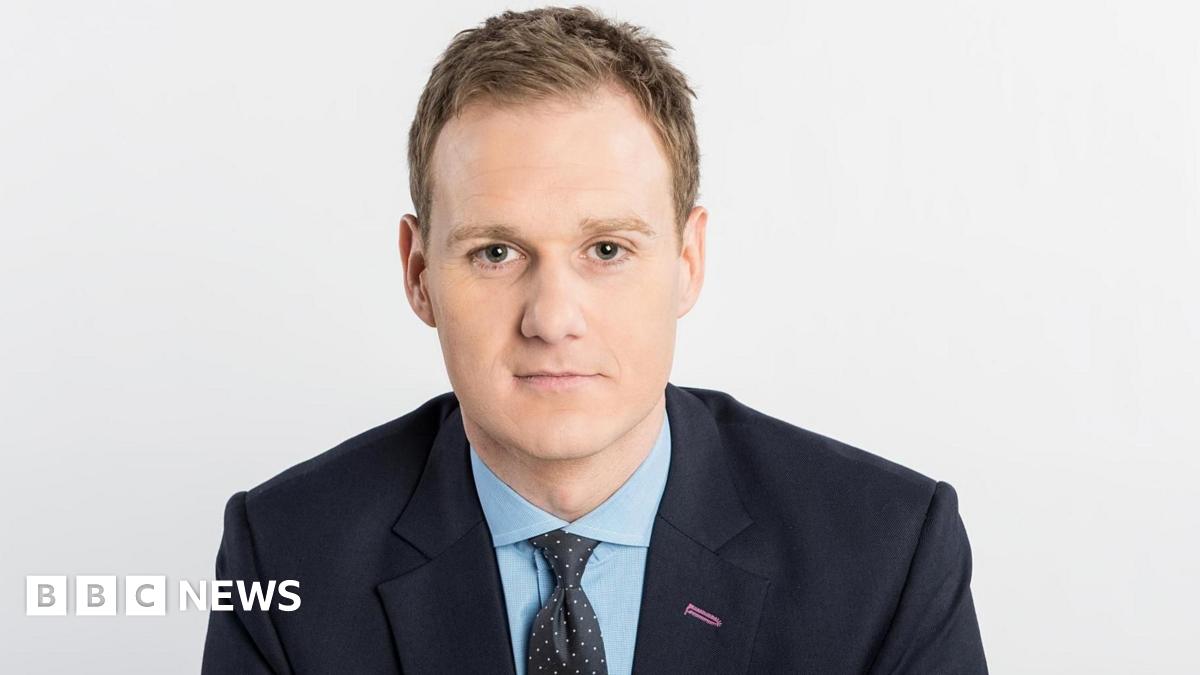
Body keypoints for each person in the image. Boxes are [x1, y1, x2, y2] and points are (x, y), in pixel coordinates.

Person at [201, 6, 988, 674]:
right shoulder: (282, 555)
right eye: (496, 252)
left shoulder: (887, 554)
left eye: (607, 249)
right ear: (418, 273)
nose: (552, 318)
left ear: (688, 262)